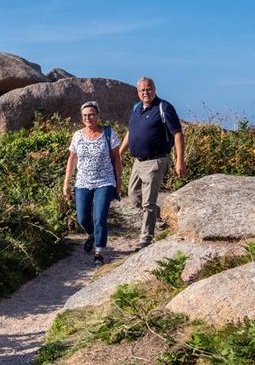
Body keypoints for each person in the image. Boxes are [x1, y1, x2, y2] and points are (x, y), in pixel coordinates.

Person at [118, 77, 185, 250]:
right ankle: (160, 216)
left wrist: (180, 160)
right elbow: (130, 132)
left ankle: (145, 239)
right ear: (138, 92)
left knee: (148, 202)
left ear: (154, 89)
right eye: (142, 90)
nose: (145, 93)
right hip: (138, 162)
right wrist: (118, 153)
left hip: (156, 160)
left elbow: (177, 134)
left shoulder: (164, 107)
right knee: (133, 196)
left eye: (149, 89)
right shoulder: (137, 108)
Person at [62, 101, 123, 264]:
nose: (88, 118)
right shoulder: (77, 135)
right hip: (82, 182)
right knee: (82, 218)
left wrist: (119, 180)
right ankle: (91, 234)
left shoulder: (109, 133)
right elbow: (72, 159)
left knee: (99, 217)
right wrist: (66, 183)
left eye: (91, 114)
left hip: (105, 181)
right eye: (85, 116)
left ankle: (99, 252)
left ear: (98, 115)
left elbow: (117, 158)